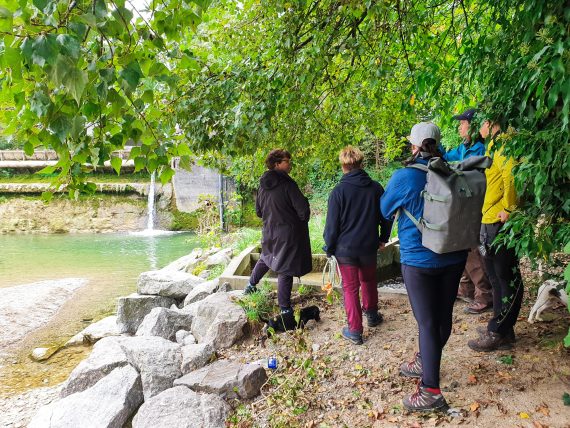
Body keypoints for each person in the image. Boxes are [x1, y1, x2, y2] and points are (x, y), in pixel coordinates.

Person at [380, 122, 468, 412]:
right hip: (454, 255)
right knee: (442, 318)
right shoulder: (452, 169)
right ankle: (424, 361)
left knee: (427, 323)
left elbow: (384, 209)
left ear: (415, 146)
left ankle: (431, 390)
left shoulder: (405, 176)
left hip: (419, 259)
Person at [323, 146, 392, 345]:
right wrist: (383, 238)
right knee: (369, 281)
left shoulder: (338, 192)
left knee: (350, 289)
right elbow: (386, 217)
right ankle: (372, 315)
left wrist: (329, 247)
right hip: (368, 246)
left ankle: (355, 331)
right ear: (361, 164)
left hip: (345, 250)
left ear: (343, 166)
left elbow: (331, 226)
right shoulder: (376, 188)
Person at [468, 119, 523, 352]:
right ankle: (503, 329)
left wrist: (510, 209)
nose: (476, 128)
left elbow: (512, 177)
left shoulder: (504, 146)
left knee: (506, 277)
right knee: (494, 276)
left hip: (499, 223)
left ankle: (497, 331)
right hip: (488, 219)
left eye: (479, 122)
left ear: (490, 123)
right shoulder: (493, 145)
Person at [244, 149, 312, 317]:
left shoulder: (262, 186)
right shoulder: (288, 184)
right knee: (286, 268)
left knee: (266, 258)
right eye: (287, 161)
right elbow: (303, 211)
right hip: (288, 234)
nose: (290, 164)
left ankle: (250, 286)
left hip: (269, 231)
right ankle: (285, 308)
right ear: (277, 164)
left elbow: (258, 212)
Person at [444, 108, 493, 314]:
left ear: (472, 125)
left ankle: (484, 295)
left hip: (476, 206)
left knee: (473, 249)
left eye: (462, 123)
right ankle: (465, 288)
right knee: (461, 246)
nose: (459, 126)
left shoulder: (480, 149)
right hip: (462, 205)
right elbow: (446, 158)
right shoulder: (463, 147)